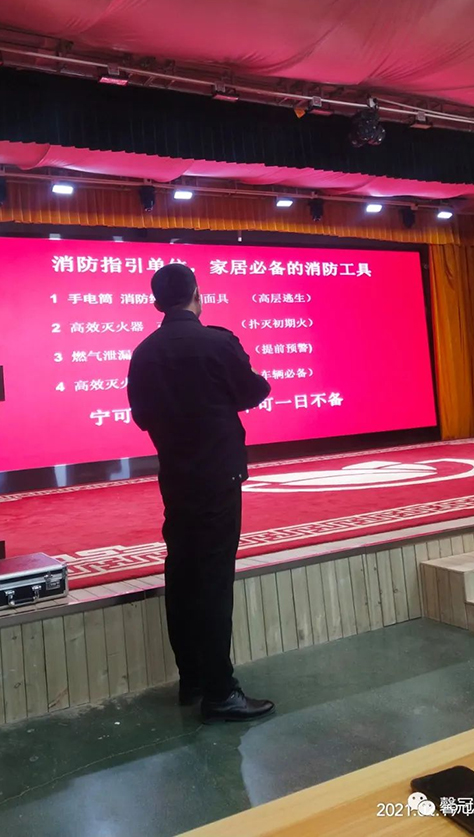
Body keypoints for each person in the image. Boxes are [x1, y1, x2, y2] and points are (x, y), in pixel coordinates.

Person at [127, 263, 275, 723]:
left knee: (182, 572)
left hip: (176, 476)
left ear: (157, 302)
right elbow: (254, 391)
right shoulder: (217, 342)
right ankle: (220, 692)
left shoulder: (144, 352)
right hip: (217, 477)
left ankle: (191, 679)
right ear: (197, 294)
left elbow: (141, 417)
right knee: (213, 580)